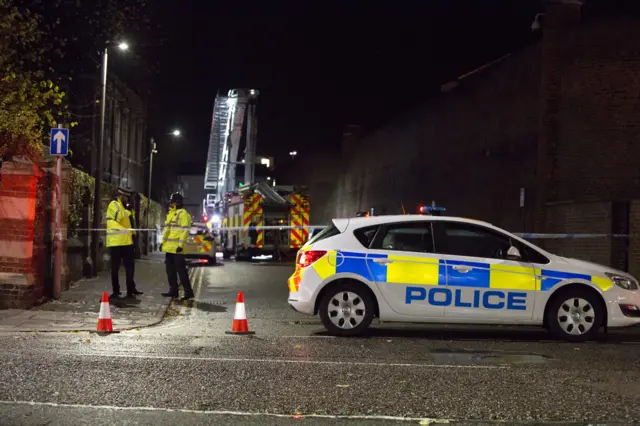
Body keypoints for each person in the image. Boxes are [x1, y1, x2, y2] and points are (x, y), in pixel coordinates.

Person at [106, 187, 143, 299]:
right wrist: (127, 211)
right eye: (125, 197)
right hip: (116, 242)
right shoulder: (113, 204)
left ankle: (131, 290)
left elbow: (130, 223)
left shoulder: (124, 206)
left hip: (127, 241)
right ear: (120, 196)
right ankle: (116, 291)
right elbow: (119, 216)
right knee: (115, 268)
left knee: (130, 267)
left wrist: (134, 234)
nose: (127, 199)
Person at [160, 192, 194, 300]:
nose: (170, 204)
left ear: (176, 203)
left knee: (181, 271)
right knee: (170, 271)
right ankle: (173, 291)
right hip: (169, 248)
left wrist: (180, 244)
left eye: (172, 202)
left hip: (178, 248)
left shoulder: (184, 214)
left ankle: (188, 292)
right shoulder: (171, 214)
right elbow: (167, 231)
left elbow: (185, 231)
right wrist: (162, 243)